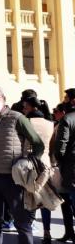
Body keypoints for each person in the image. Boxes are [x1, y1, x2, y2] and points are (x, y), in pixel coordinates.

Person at [0, 86, 44, 244]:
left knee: (21, 222)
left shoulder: (17, 118)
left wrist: (26, 161)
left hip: (13, 178)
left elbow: (38, 144)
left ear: (4, 99)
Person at [21, 96, 54, 244]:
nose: (23, 109)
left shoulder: (26, 123)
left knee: (29, 197)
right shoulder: (50, 123)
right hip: (45, 163)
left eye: (25, 107)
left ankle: (28, 227)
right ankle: (47, 230)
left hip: (29, 164)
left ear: (32, 108)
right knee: (44, 199)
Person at [56, 88, 75, 243]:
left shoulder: (67, 119)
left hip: (71, 167)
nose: (64, 100)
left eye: (66, 98)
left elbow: (61, 145)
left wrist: (59, 159)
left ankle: (70, 232)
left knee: (70, 201)